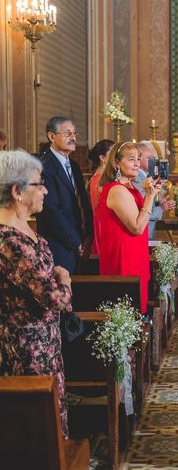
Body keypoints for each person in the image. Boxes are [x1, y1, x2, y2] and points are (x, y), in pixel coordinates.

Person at [0, 150, 72, 437]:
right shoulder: (11, 240)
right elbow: (56, 299)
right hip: (27, 348)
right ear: (17, 191)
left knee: (50, 417)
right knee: (37, 428)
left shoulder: (26, 232)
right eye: (38, 184)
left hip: (44, 341)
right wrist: (64, 279)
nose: (44, 190)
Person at [98, 142, 162, 314]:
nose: (137, 164)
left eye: (138, 159)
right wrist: (149, 196)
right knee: (127, 307)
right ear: (117, 163)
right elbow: (137, 227)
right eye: (131, 159)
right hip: (123, 259)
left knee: (136, 308)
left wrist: (149, 193)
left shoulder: (130, 187)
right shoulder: (117, 191)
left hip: (135, 254)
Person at [36, 117, 93, 273]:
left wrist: (88, 235)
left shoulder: (74, 166)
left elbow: (83, 202)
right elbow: (51, 211)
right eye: (68, 133)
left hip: (80, 243)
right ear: (51, 136)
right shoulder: (44, 166)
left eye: (74, 133)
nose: (73, 138)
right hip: (59, 244)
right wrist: (76, 242)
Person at [133, 142, 175, 239]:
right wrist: (161, 209)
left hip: (148, 230)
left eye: (153, 158)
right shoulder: (137, 179)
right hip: (142, 231)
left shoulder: (147, 177)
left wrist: (159, 203)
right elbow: (140, 211)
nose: (153, 162)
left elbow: (147, 202)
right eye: (150, 159)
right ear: (139, 159)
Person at [87, 139, 114, 255]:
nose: (116, 158)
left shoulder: (97, 177)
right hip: (104, 226)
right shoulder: (102, 180)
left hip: (101, 224)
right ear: (102, 158)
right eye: (112, 154)